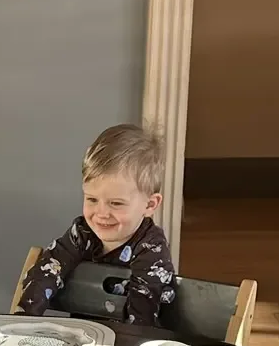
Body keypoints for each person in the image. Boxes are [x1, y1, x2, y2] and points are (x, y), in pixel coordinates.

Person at [15, 122, 176, 327]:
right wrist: (24, 321)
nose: (101, 213)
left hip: (132, 341)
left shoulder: (151, 249)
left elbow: (142, 317)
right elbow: (47, 271)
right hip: (84, 338)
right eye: (92, 199)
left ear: (150, 205)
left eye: (116, 203)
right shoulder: (82, 233)